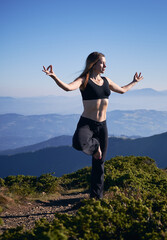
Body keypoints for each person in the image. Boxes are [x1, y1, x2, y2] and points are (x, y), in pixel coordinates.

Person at [42, 51, 143, 199]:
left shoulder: (106, 81)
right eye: (102, 63)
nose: (105, 65)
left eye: (105, 63)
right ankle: (95, 147)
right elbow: (68, 88)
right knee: (78, 143)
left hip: (102, 126)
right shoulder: (84, 80)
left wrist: (134, 81)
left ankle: (96, 198)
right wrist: (54, 76)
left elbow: (122, 90)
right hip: (87, 123)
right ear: (93, 64)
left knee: (99, 165)